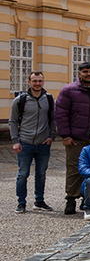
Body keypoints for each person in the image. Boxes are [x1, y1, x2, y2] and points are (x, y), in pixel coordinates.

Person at [55, 61, 90, 215]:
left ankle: (87, 200)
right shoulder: (69, 90)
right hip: (76, 137)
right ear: (79, 73)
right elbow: (61, 113)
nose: (88, 74)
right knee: (74, 169)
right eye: (85, 71)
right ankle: (71, 200)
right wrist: (65, 135)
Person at [10, 71, 55, 212]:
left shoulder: (48, 98)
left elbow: (53, 119)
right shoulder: (20, 100)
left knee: (41, 173)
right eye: (34, 81)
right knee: (23, 174)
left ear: (43, 82)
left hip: (43, 143)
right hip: (25, 142)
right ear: (29, 82)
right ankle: (21, 203)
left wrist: (51, 136)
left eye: (40, 81)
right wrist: (15, 141)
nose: (37, 84)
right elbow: (12, 121)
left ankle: (39, 201)